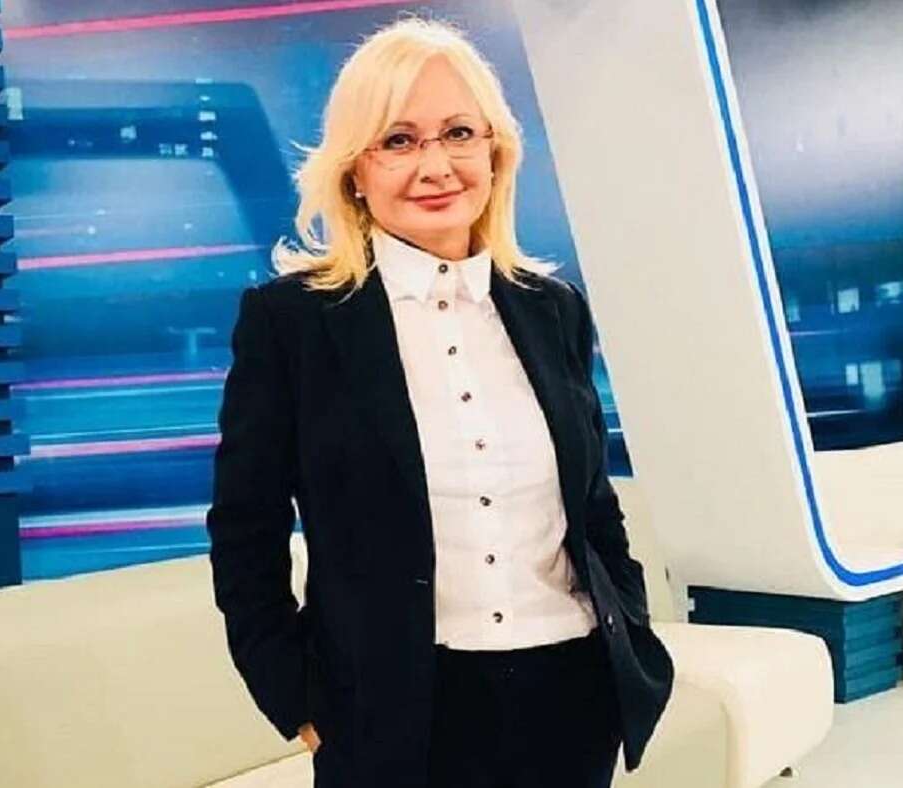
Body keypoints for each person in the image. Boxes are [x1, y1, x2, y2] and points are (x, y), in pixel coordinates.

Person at [207, 17, 673, 788]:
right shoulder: (292, 323)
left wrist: (632, 629)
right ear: (354, 171)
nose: (436, 165)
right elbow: (244, 531)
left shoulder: (554, 310)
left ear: (495, 151)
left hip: (571, 698)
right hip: (392, 718)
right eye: (398, 140)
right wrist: (293, 695)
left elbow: (593, 507)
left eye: (459, 133)